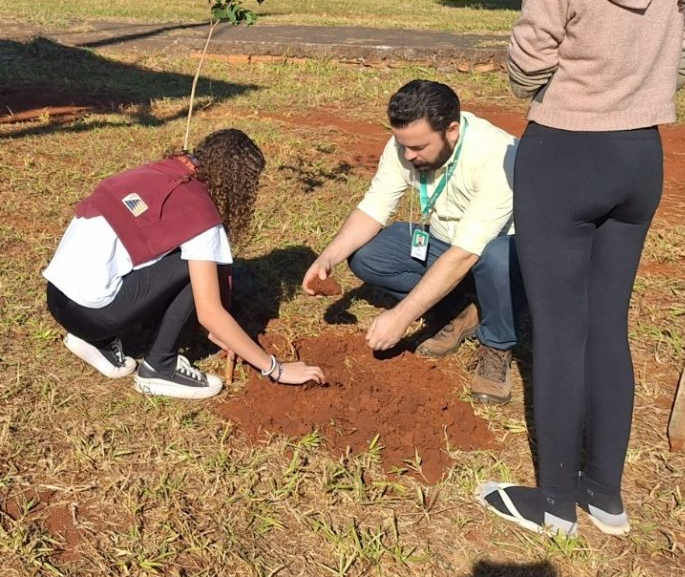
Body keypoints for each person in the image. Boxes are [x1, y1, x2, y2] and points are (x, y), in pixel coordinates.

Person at [477, 0, 685, 537]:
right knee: (608, 325)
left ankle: (553, 506)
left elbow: (526, 68)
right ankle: (606, 496)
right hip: (640, 158)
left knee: (560, 333)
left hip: (565, 156)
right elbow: (684, 55)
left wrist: (556, 84)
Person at [44, 129, 325, 398]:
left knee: (175, 256)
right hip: (93, 316)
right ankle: (160, 368)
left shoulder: (158, 171)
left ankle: (98, 342)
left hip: (57, 297)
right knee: (196, 267)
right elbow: (209, 313)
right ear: (238, 183)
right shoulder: (201, 216)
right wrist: (276, 369)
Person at [302, 80, 521, 404]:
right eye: (403, 145)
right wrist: (328, 257)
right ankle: (460, 311)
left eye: (418, 147)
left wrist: (401, 316)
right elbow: (374, 208)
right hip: (445, 242)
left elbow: (465, 253)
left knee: (497, 259)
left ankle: (497, 345)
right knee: (368, 256)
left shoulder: (496, 155)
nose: (408, 155)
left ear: (451, 131)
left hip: (501, 253)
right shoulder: (405, 145)